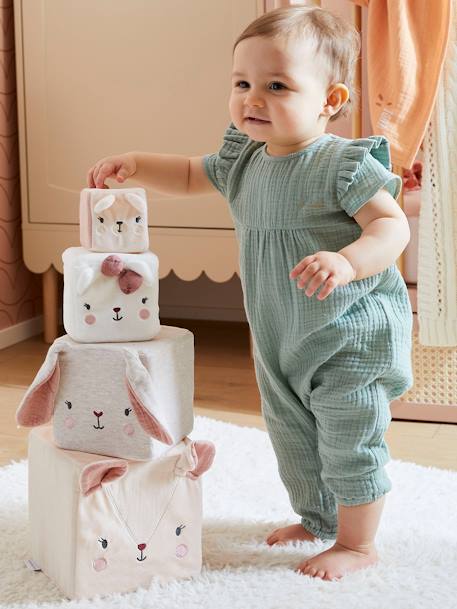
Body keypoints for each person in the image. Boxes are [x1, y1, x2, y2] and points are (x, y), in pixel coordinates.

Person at [87, 5, 413, 581]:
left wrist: (347, 260)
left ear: (330, 100)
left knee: (348, 436)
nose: (252, 99)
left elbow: (392, 228)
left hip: (349, 333)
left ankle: (359, 544)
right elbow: (191, 174)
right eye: (242, 83)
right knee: (294, 438)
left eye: (276, 85)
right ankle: (317, 518)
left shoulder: (342, 165)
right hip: (280, 335)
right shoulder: (245, 161)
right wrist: (136, 164)